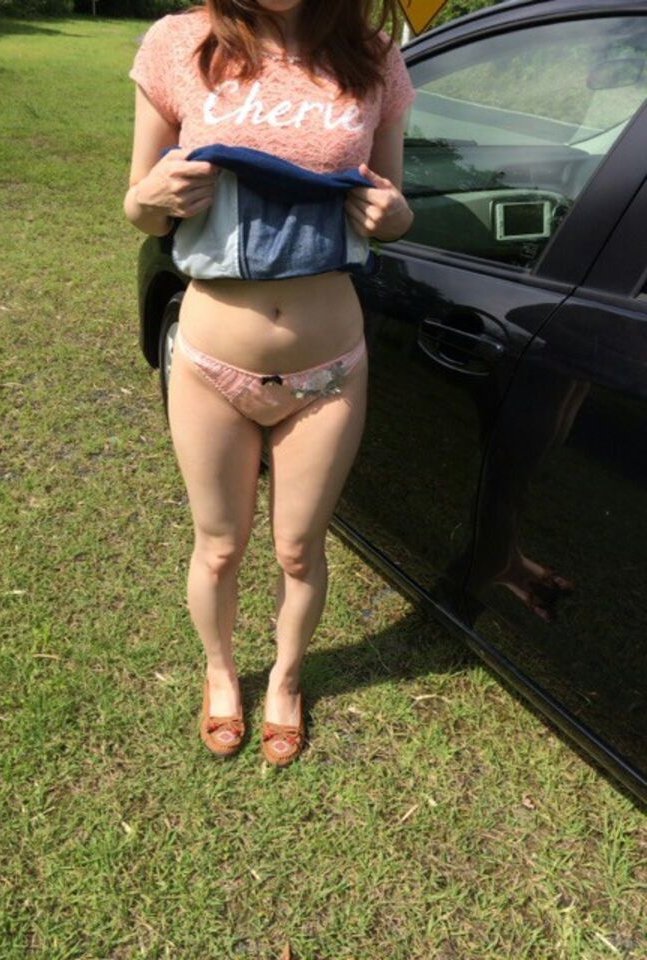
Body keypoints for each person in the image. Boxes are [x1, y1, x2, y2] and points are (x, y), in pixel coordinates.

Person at [124, 0, 416, 766]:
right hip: (209, 362)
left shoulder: (374, 55)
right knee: (219, 546)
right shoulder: (178, 42)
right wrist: (148, 201)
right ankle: (222, 672)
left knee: (298, 549)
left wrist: (395, 217)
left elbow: (393, 203)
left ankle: (285, 679)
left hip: (331, 365)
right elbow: (138, 204)